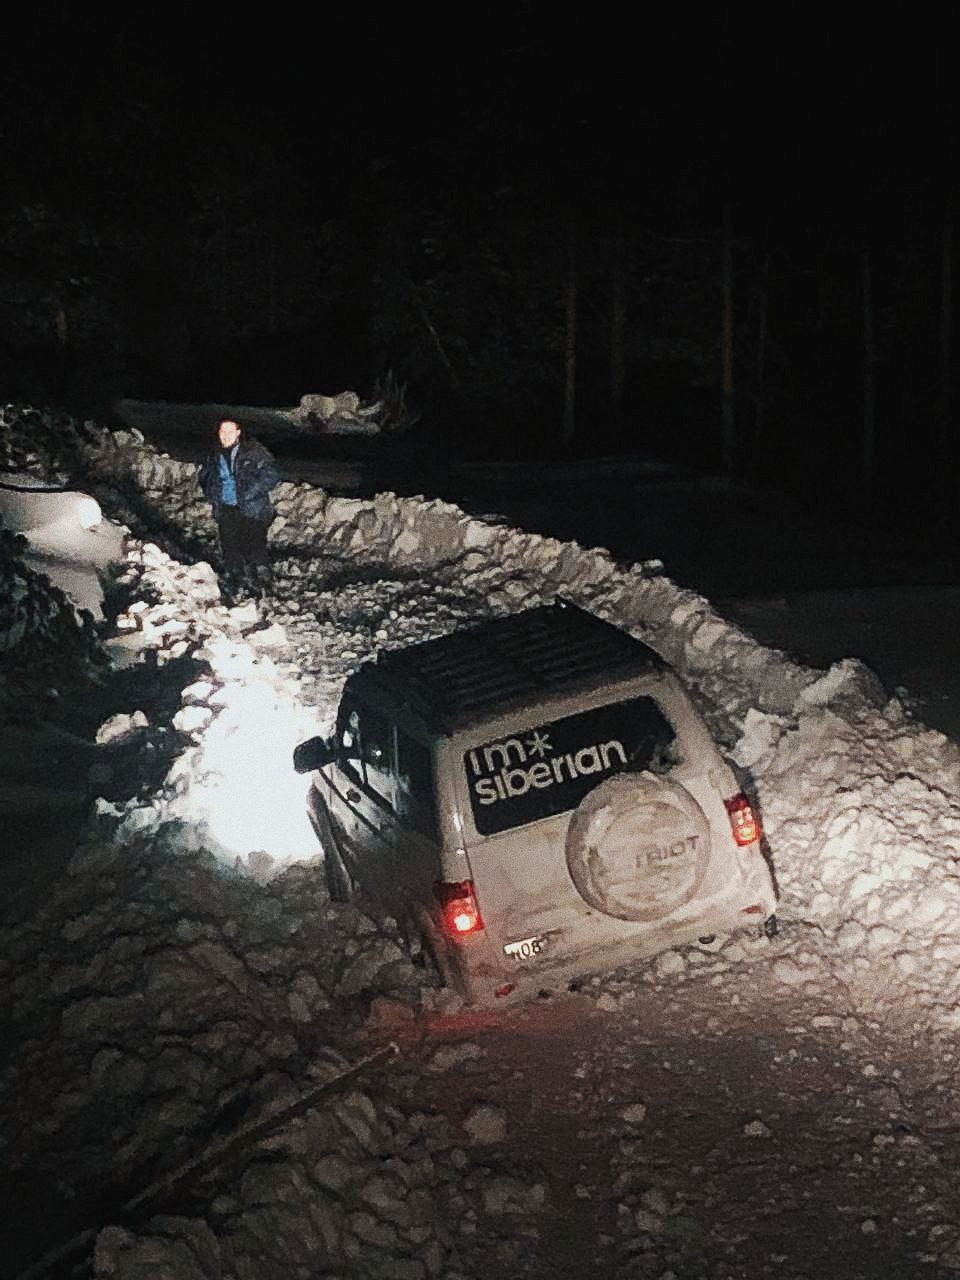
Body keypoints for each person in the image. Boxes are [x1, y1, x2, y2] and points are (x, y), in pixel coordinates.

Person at [198, 418, 280, 603]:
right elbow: (205, 476)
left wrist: (251, 491)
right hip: (226, 508)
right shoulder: (214, 454)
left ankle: (265, 587)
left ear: (238, 432)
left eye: (230, 431)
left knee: (254, 547)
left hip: (252, 508)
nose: (225, 436)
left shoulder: (254, 451)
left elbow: (272, 474)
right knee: (230, 548)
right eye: (222, 432)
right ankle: (236, 586)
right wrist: (212, 493)